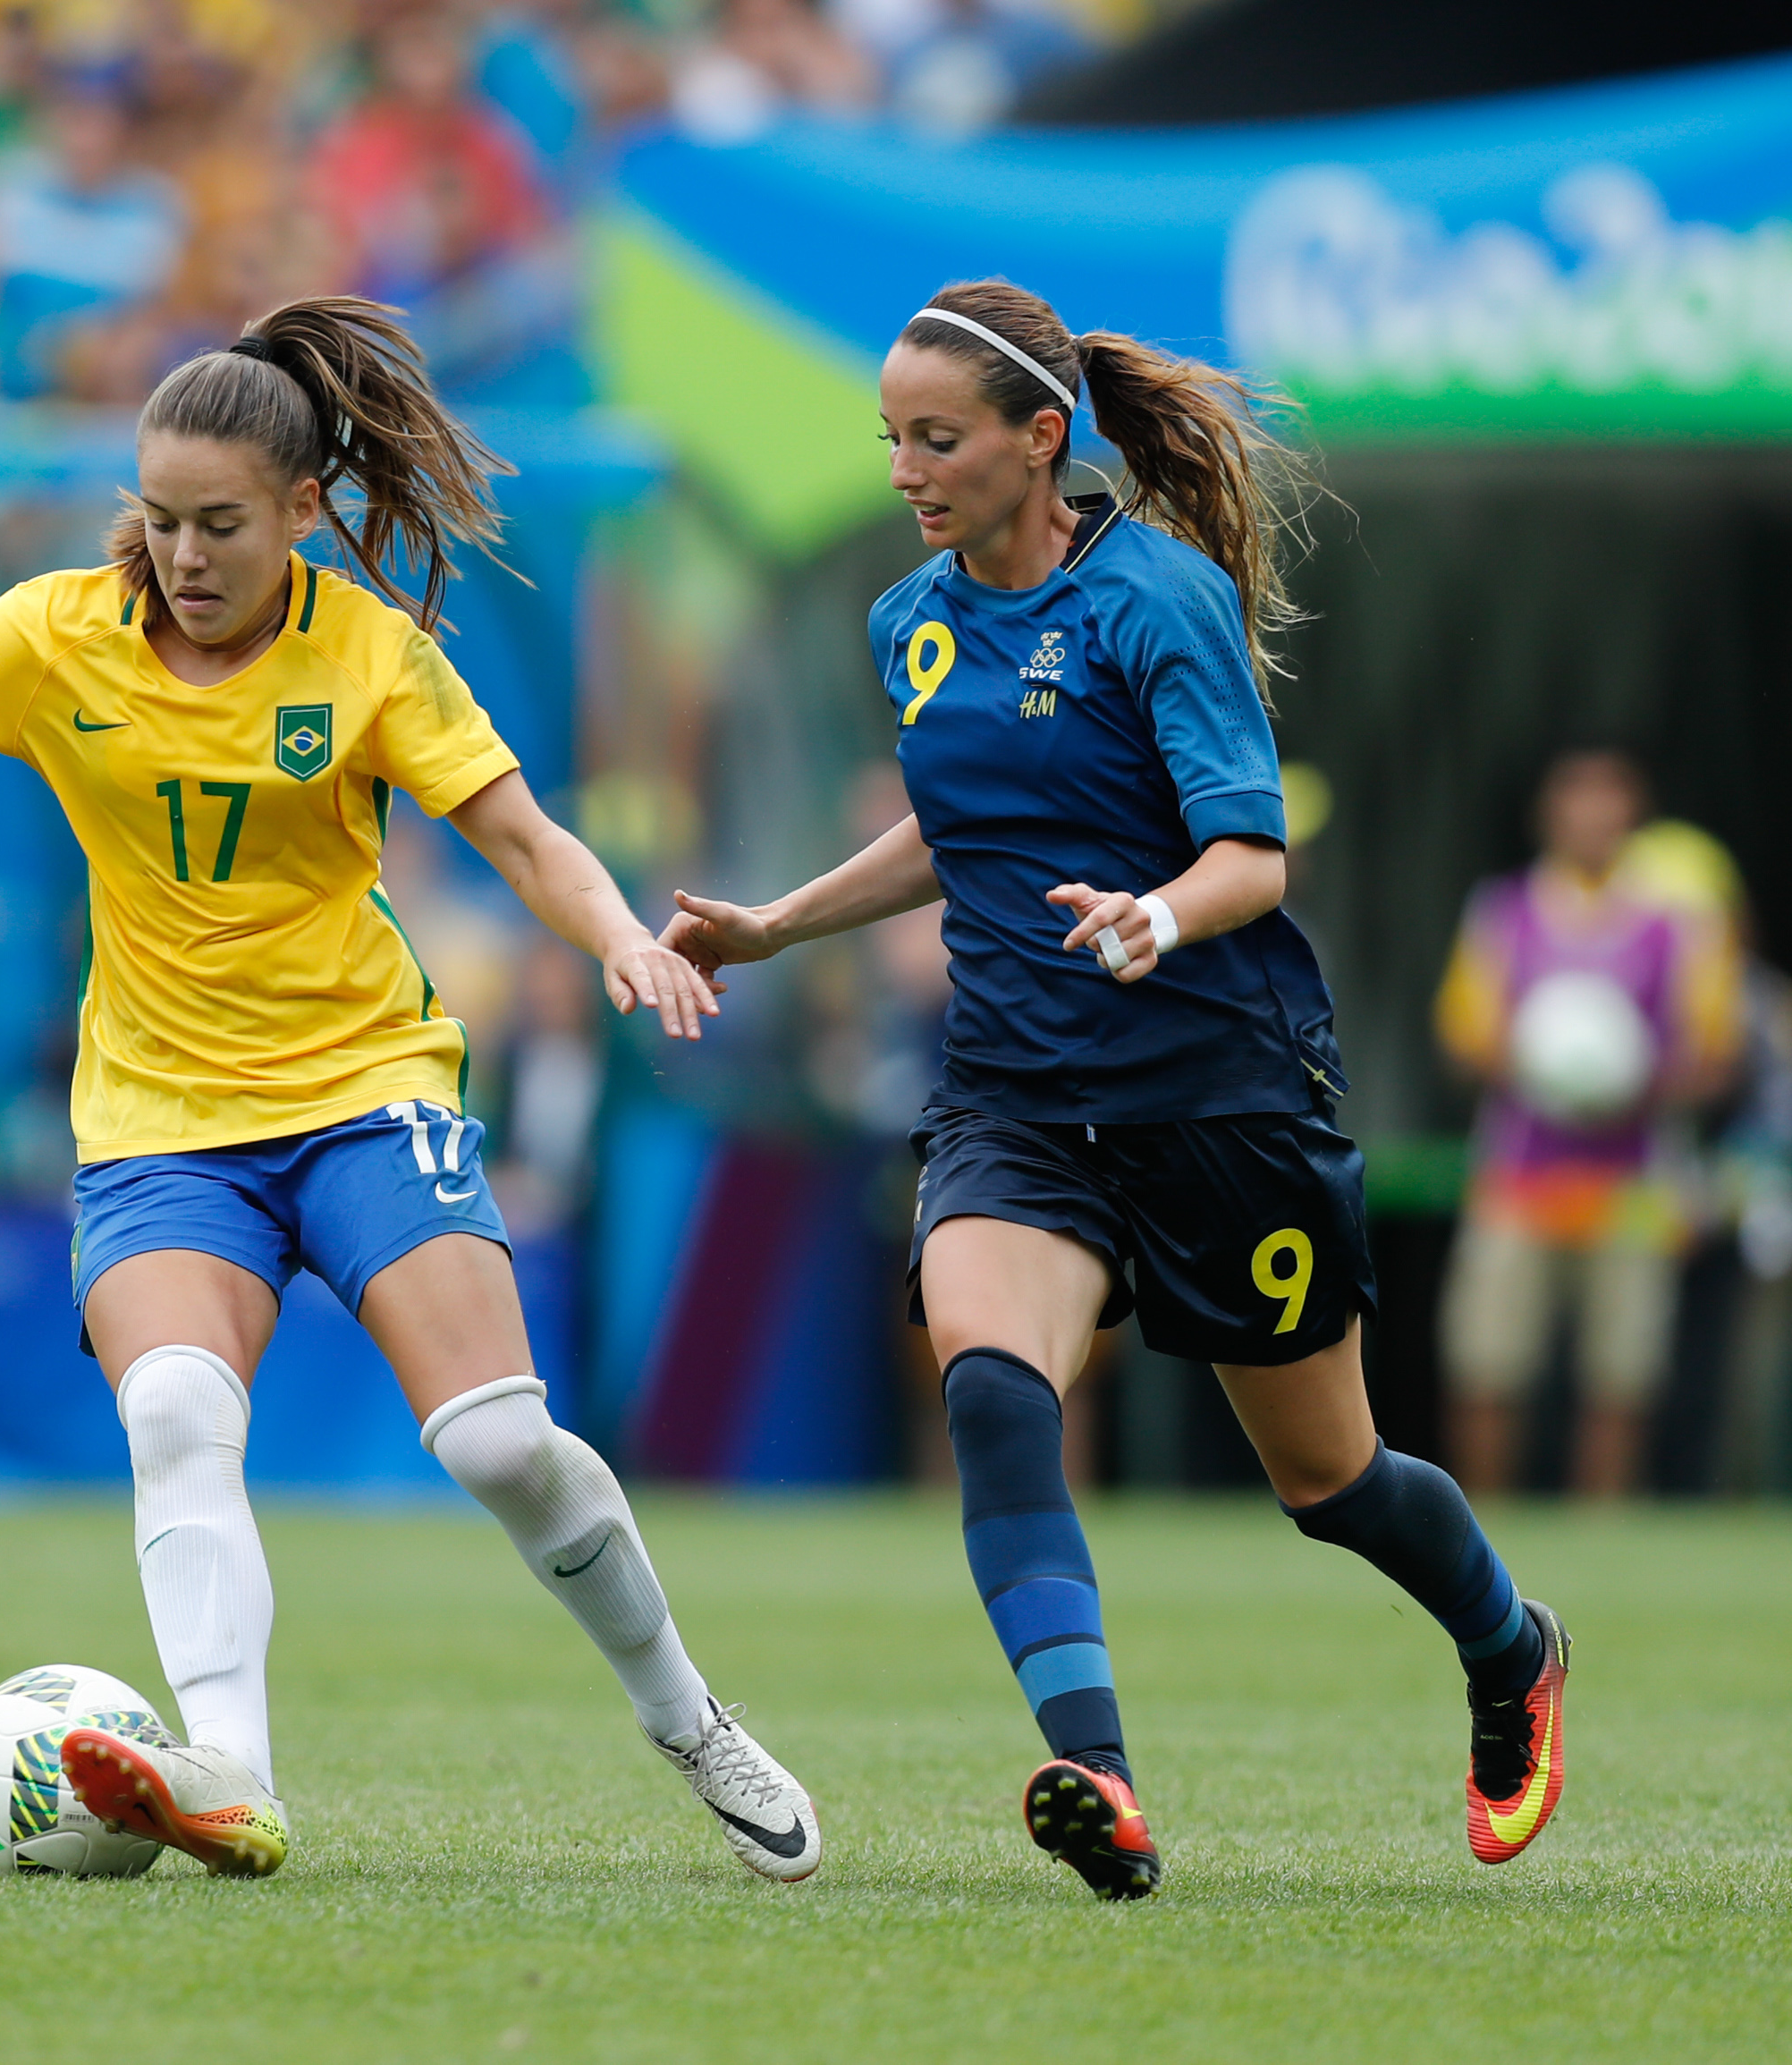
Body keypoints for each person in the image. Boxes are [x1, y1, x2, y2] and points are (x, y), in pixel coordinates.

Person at [0, 294, 818, 1885]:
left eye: (221, 523)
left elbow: (520, 837)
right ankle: (233, 1778)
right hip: (158, 1124)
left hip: (359, 1090)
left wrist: (620, 932)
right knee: (171, 1412)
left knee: (497, 1444)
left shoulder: (368, 653)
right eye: (159, 518)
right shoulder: (46, 635)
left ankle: (687, 1714)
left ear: (299, 512)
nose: (186, 553)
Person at [657, 280, 1569, 1900]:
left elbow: (1248, 849)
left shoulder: (1159, 599)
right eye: (888, 438)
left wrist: (1155, 909)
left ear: (1038, 438)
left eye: (933, 438)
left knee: (1330, 1481)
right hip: (1011, 1096)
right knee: (995, 1391)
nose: (902, 470)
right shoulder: (908, 622)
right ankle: (1097, 1772)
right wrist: (779, 920)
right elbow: (963, 821)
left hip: (1216, 1093)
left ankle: (1510, 1648)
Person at [1433, 753, 1736, 1497]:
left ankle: (1602, 1532)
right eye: (1578, 803)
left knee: (1621, 1376)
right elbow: (1462, 1039)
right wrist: (1542, 1064)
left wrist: (1633, 1079)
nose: (1594, 819)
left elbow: (1715, 1056)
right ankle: (1482, 1533)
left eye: (1610, 803)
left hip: (1633, 1182)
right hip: (1519, 1176)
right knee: (1487, 1365)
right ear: (1551, 815)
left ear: (1633, 815)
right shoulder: (1504, 911)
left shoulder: (1676, 923)